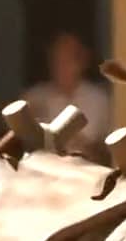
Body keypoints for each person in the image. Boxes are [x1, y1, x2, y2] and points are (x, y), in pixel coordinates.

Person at [23, 31, 112, 161]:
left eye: (68, 59)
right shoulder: (34, 98)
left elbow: (108, 150)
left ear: (82, 62)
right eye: (57, 59)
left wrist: (87, 146)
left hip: (88, 173)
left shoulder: (100, 100)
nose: (62, 66)